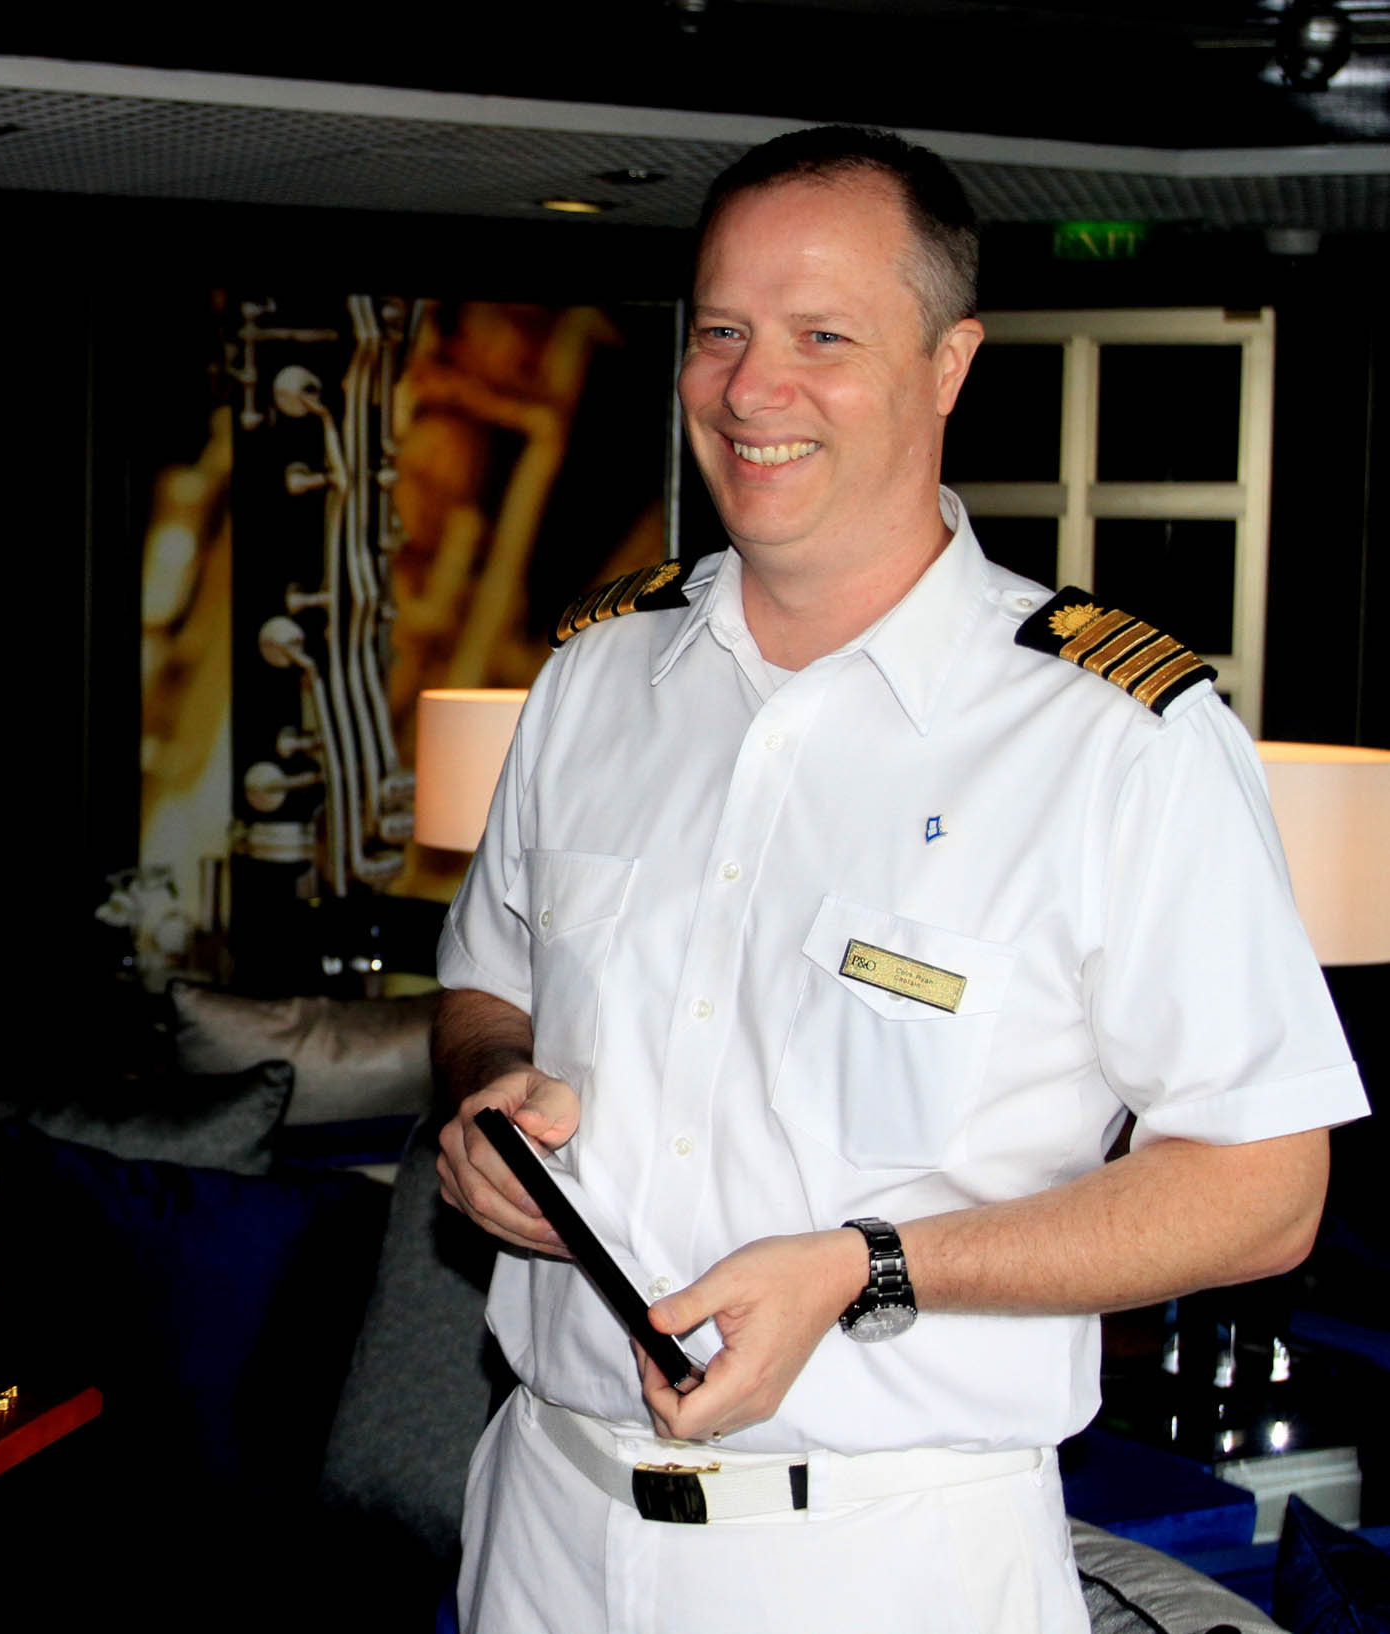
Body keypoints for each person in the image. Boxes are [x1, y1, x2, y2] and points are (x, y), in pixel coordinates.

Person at [432, 125, 1367, 1634]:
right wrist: (486, 1090)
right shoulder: (593, 676)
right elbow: (490, 981)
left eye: (822, 337)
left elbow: (1263, 1191)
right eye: (722, 331)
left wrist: (864, 1270)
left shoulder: (1113, 735)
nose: (752, 389)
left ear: (947, 364)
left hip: (881, 1557)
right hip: (542, 1522)